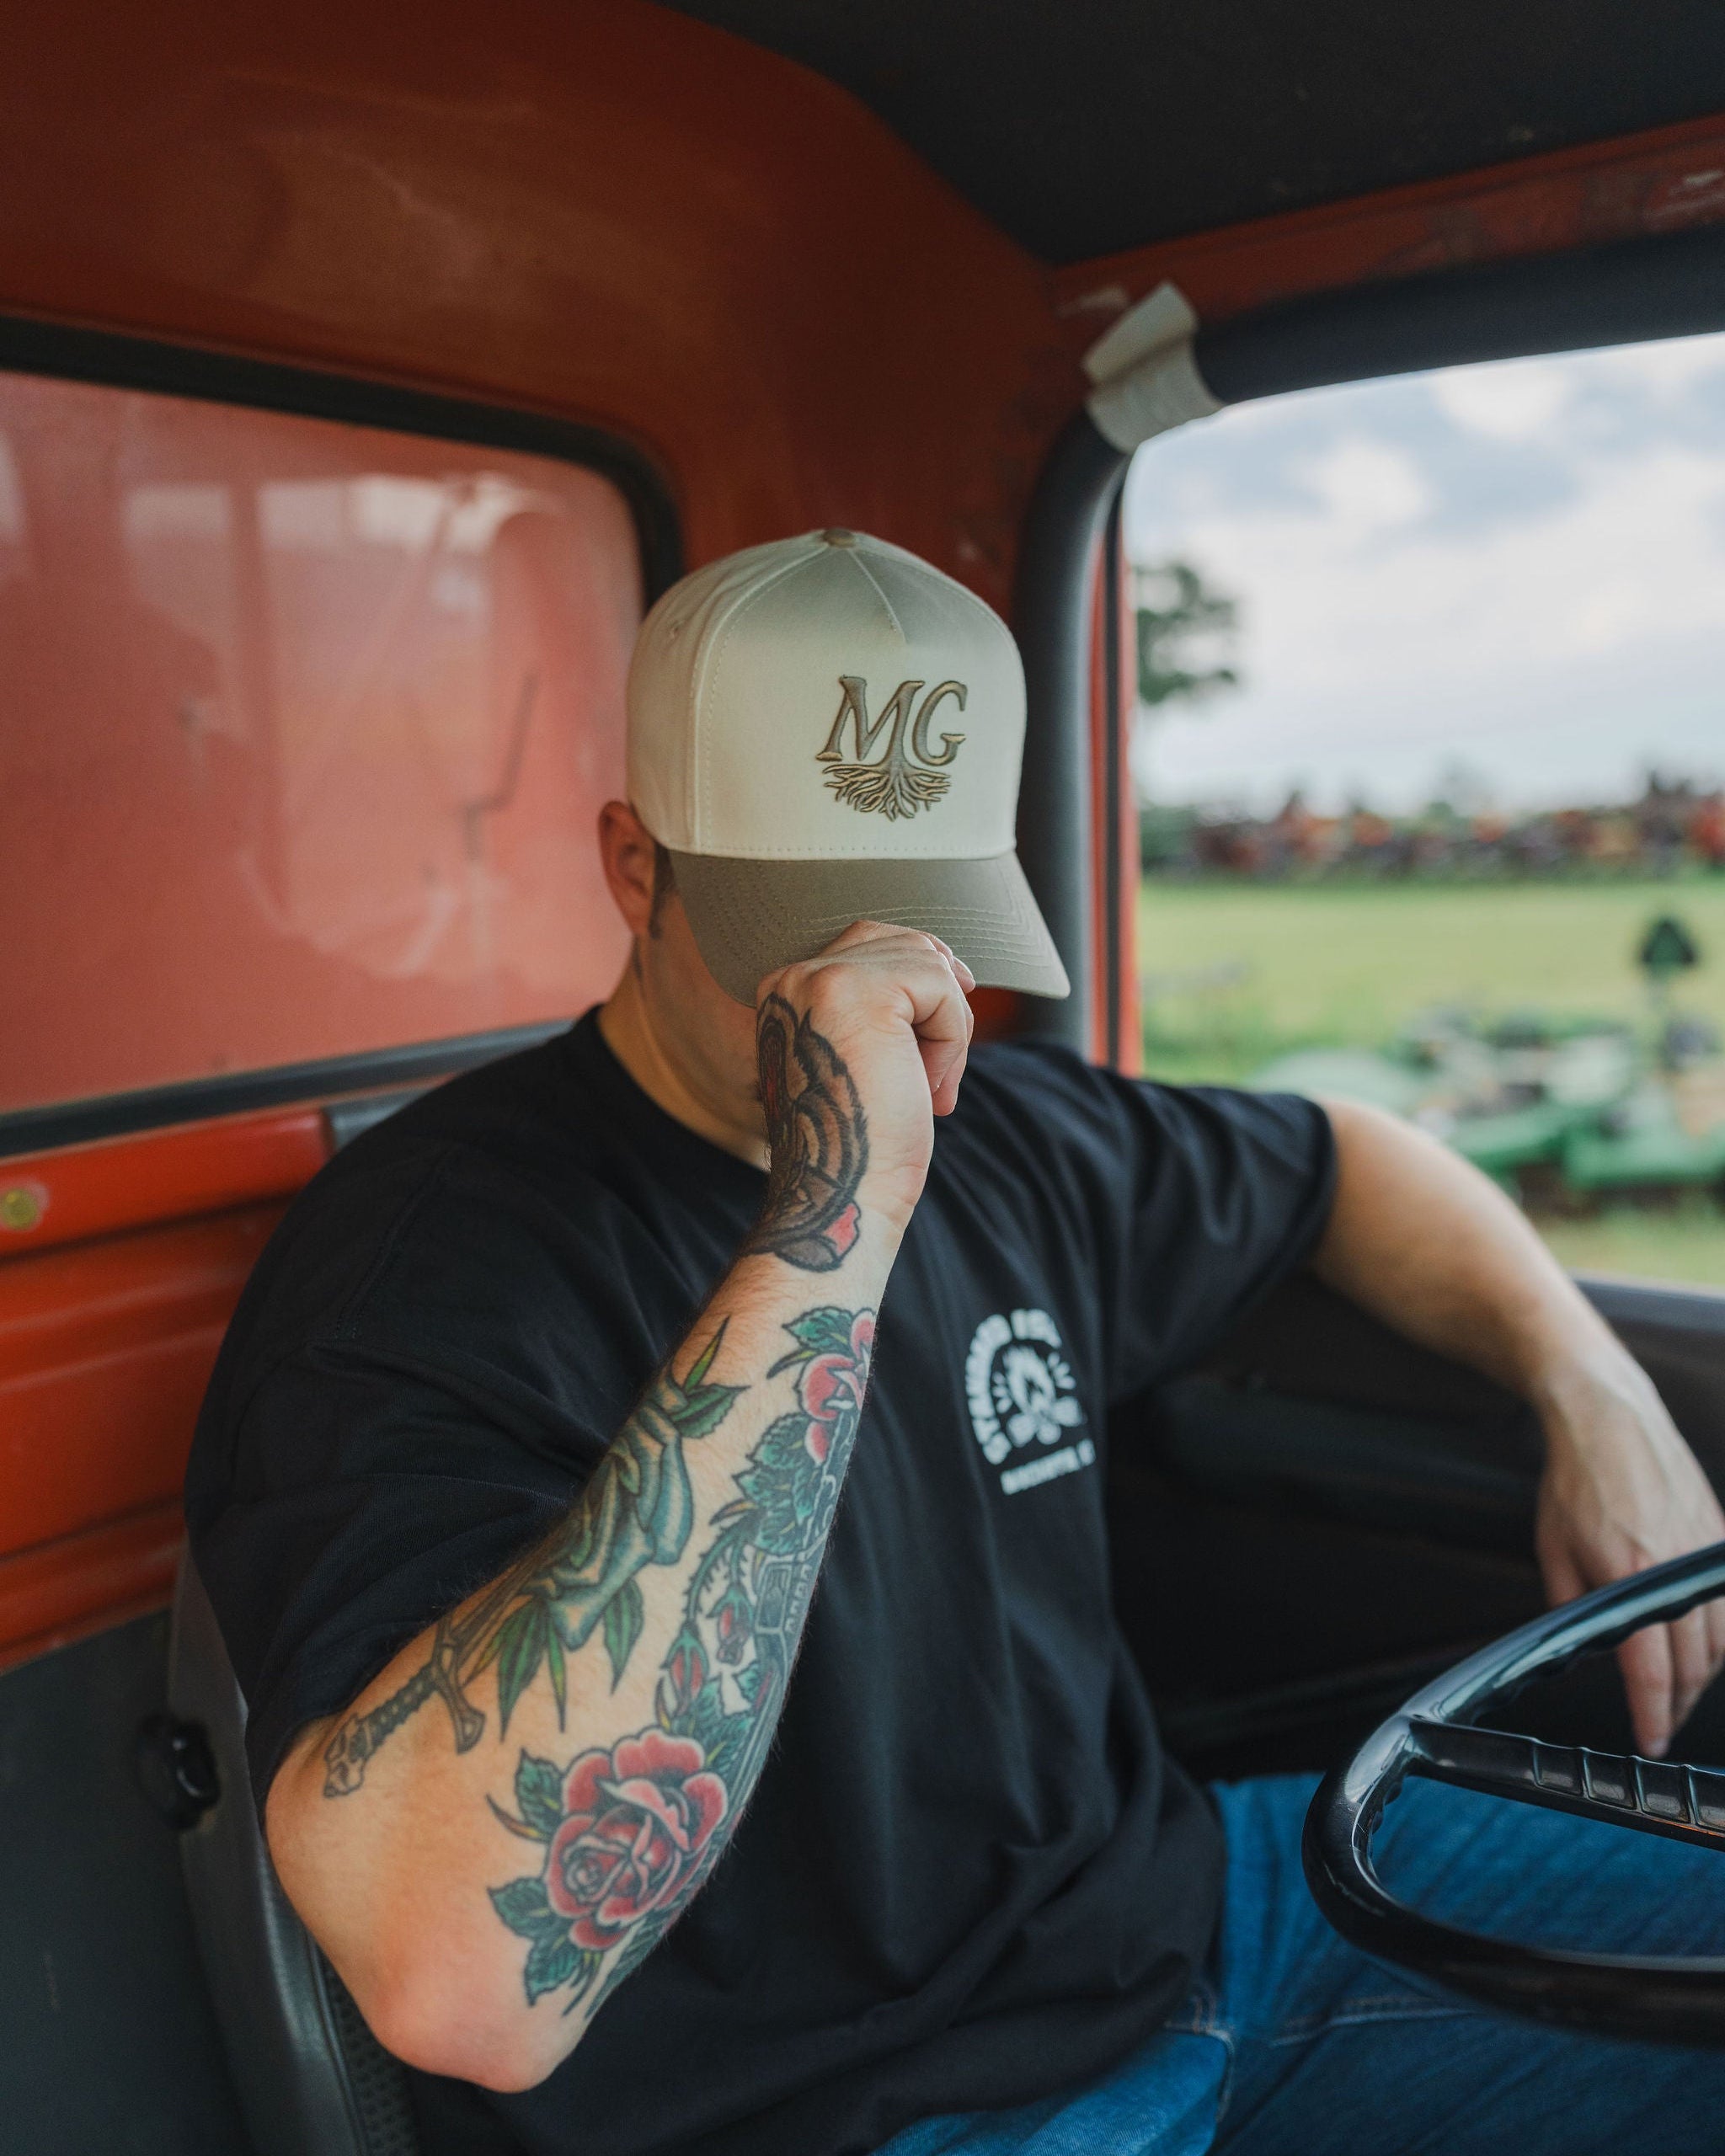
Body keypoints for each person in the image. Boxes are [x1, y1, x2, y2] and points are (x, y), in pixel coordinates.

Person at [188, 529, 1725, 2156]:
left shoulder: (1013, 1136)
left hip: (1194, 1935)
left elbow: (1348, 1158)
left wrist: (1595, 1391)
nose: (895, 992)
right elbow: (459, 1980)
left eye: (930, 921)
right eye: (814, 932)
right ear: (637, 871)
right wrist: (836, 1212)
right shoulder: (425, 1270)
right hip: (855, 2119)